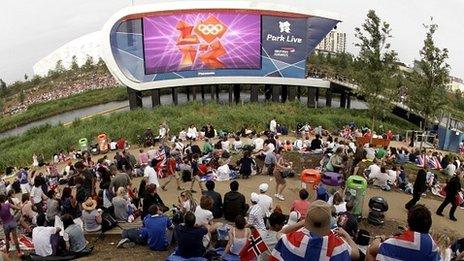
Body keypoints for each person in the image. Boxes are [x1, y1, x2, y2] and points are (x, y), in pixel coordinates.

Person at [271, 200, 358, 261]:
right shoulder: (338, 246)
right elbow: (356, 254)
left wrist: (302, 223)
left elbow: (280, 233)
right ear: (328, 221)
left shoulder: (291, 240)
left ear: (307, 220)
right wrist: (346, 235)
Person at [367, 204, 439, 260]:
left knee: (369, 249)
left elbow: (373, 248)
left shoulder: (392, 243)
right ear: (429, 224)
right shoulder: (432, 246)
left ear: (409, 222)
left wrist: (380, 238)